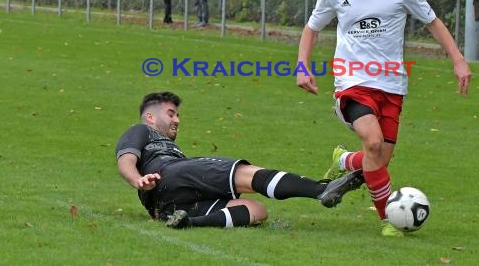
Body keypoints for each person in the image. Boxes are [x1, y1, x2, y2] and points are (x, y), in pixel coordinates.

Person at [296, 0, 471, 237]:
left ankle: (346, 160)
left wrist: (458, 60)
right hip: (352, 82)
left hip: (392, 85)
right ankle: (389, 219)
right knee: (374, 143)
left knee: (379, 158)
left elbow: (433, 22)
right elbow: (312, 28)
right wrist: (302, 66)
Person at [115, 91, 364, 230]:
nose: (177, 120)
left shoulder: (169, 147)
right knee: (244, 173)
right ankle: (320, 190)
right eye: (171, 114)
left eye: (178, 115)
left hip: (164, 206)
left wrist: (144, 182)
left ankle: (188, 222)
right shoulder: (140, 130)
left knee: (257, 211)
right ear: (149, 116)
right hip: (170, 174)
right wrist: (137, 179)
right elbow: (126, 160)